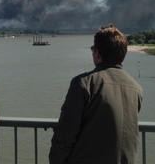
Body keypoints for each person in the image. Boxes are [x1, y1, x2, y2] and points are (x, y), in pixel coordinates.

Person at [49, 24, 143, 164]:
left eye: (93, 49)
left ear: (97, 54)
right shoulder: (136, 88)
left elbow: (65, 135)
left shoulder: (83, 83)